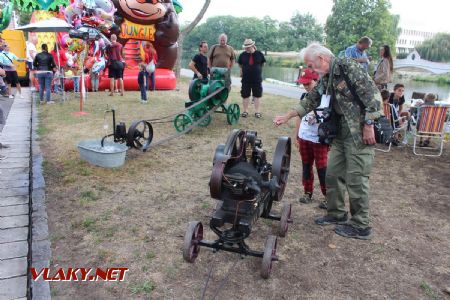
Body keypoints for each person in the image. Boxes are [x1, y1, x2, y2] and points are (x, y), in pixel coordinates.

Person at [273, 43, 382, 240]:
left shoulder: (349, 67)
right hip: (340, 131)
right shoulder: (328, 75)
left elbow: (373, 96)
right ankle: (337, 213)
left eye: (311, 65)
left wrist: (368, 124)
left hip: (358, 131)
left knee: (356, 178)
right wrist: (288, 116)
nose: (311, 70)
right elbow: (312, 99)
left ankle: (361, 225)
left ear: (322, 59)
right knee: (333, 174)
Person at [295, 68, 329, 209]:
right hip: (304, 136)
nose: (306, 86)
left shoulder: (326, 97)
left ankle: (328, 196)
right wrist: (297, 135)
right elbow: (298, 116)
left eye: (308, 83)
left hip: (318, 139)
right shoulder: (304, 96)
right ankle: (307, 192)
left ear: (316, 81)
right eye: (303, 84)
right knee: (306, 165)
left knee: (322, 168)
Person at [238, 39, 266, 118]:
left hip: (256, 79)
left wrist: (257, 70)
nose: (246, 48)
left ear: (252, 46)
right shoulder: (242, 55)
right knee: (245, 95)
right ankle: (245, 111)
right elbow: (240, 64)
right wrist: (242, 72)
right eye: (245, 47)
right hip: (246, 79)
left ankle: (257, 112)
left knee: (257, 95)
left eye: (248, 47)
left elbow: (263, 63)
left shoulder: (259, 54)